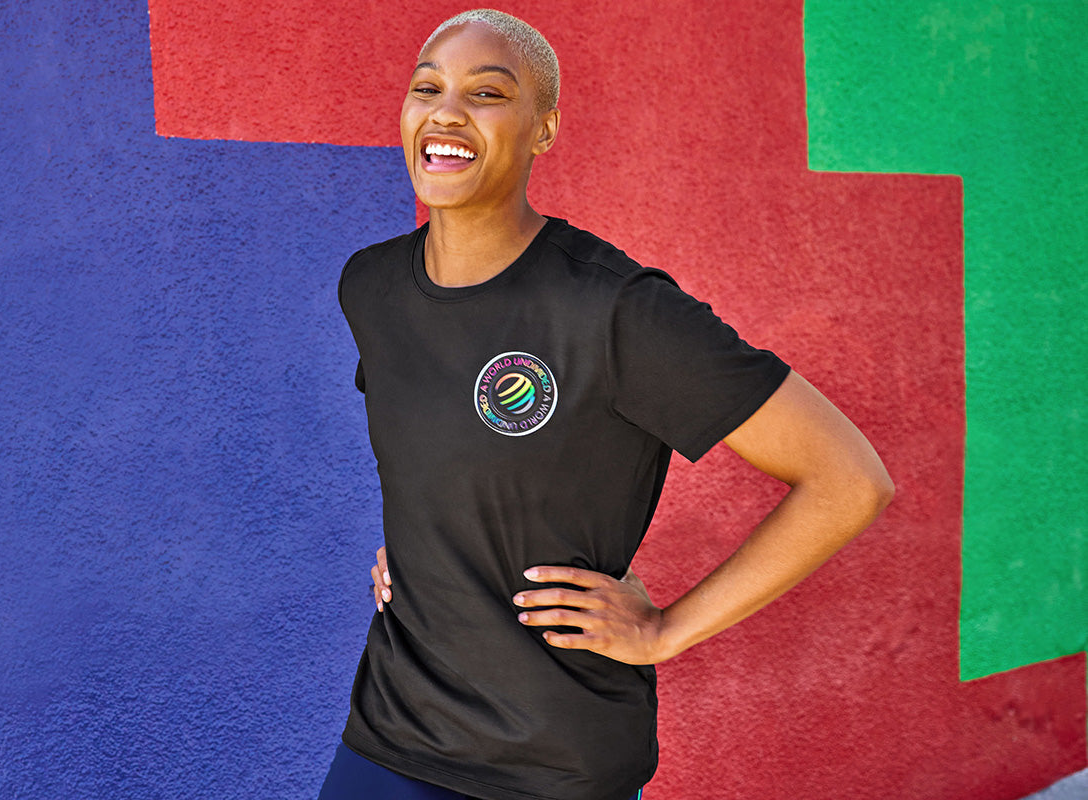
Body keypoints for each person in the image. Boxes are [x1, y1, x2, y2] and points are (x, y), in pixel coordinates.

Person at [316, 9, 894, 800]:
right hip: (389, 741)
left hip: (553, 765)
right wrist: (422, 551)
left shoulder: (617, 311)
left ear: (543, 129)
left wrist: (667, 628)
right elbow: (440, 459)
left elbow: (849, 480)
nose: (446, 112)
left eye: (487, 93)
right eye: (427, 88)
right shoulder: (373, 287)